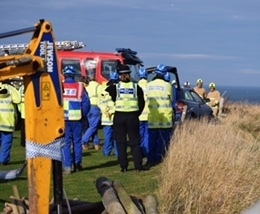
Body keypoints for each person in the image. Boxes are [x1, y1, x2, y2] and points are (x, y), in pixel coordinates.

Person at [105, 65, 146, 172]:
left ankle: (123, 166)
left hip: (119, 116)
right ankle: (138, 166)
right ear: (129, 74)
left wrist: (111, 110)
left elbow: (104, 96)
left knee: (120, 142)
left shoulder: (115, 87)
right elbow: (142, 103)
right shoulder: (136, 87)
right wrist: (137, 113)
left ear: (119, 75)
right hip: (133, 116)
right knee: (135, 142)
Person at [62, 66, 90, 174]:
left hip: (64, 119)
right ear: (74, 75)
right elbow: (86, 103)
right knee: (77, 142)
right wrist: (83, 114)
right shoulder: (80, 86)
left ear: (64, 75)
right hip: (77, 118)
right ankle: (78, 164)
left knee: (66, 143)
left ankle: (68, 167)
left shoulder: (60, 86)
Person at [146, 64, 173, 167]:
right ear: (164, 74)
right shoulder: (168, 86)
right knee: (162, 140)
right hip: (165, 117)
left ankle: (150, 158)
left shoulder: (149, 85)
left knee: (151, 139)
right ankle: (159, 158)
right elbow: (171, 100)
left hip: (153, 116)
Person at [0, 81, 21, 165]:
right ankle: (3, 159)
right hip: (7, 121)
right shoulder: (10, 88)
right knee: (6, 142)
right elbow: (18, 99)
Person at [82, 68, 102, 150]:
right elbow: (102, 97)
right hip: (95, 107)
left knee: (92, 126)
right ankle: (83, 141)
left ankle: (96, 144)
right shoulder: (99, 86)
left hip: (88, 107)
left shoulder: (86, 86)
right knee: (93, 126)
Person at [99, 71, 119, 157]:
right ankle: (117, 153)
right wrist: (111, 111)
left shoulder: (105, 90)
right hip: (117, 117)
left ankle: (107, 152)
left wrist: (106, 111)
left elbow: (100, 103)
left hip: (106, 118)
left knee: (107, 136)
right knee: (117, 137)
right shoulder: (119, 90)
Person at [137, 68, 149, 157]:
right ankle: (146, 151)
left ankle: (140, 150)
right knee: (147, 134)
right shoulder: (149, 86)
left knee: (139, 134)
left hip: (139, 114)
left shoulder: (136, 86)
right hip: (148, 114)